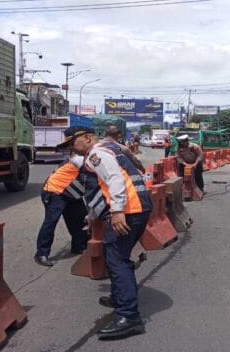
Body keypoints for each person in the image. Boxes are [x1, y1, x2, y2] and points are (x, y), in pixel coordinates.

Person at [64, 126, 152, 339]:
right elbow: (101, 189)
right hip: (137, 207)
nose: (70, 148)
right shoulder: (106, 149)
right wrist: (94, 215)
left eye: (71, 143)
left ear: (87, 138)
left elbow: (114, 180)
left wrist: (118, 211)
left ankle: (129, 317)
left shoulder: (97, 153)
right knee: (115, 255)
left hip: (130, 210)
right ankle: (120, 296)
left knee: (117, 260)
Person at [34, 151, 90, 267]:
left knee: (80, 219)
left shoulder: (88, 159)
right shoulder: (82, 160)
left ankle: (79, 246)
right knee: (51, 222)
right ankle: (42, 254)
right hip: (55, 192)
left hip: (72, 193)